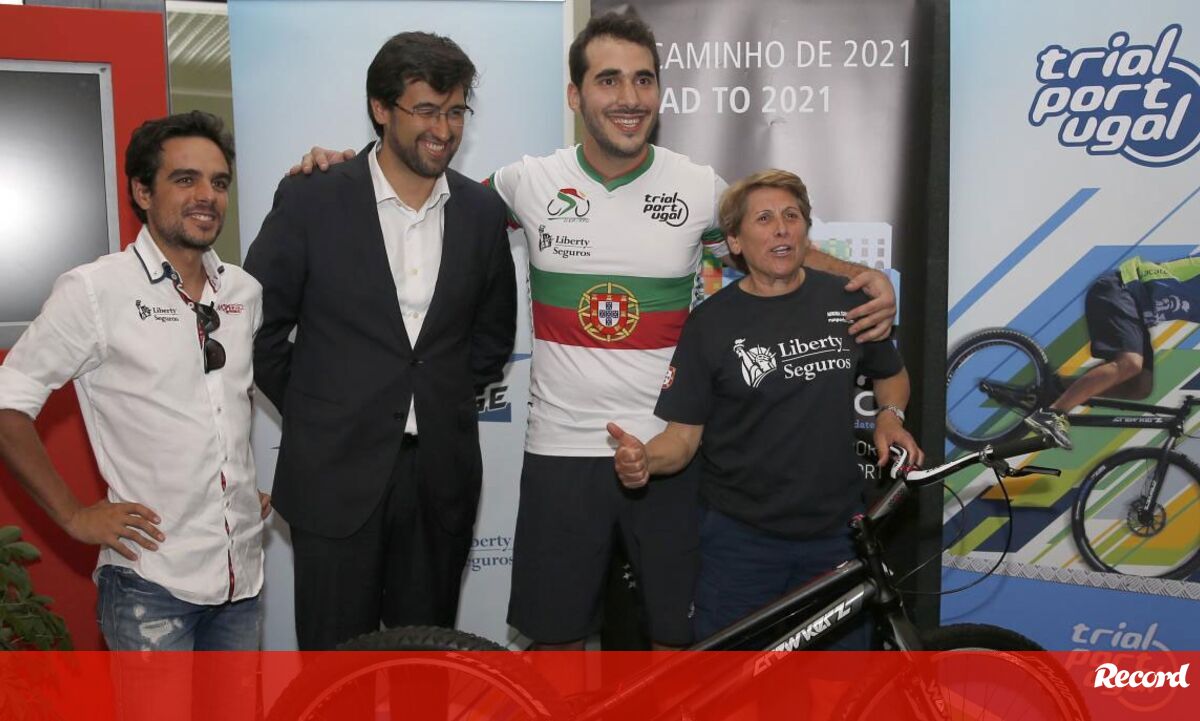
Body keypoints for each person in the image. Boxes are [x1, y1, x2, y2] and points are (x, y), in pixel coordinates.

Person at [293, 12, 897, 650]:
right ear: (575, 95)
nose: (629, 97)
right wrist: (345, 168)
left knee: (680, 647)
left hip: (671, 454)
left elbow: (779, 249)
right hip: (560, 454)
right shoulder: (526, 182)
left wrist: (866, 278)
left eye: (644, 80)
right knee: (555, 648)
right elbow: (427, 194)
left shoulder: (697, 187)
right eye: (609, 80)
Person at [243, 32, 517, 650]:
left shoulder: (480, 213)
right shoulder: (313, 196)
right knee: (336, 672)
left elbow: (492, 339)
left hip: (439, 479)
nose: (443, 130)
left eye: (456, 111)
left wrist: (436, 396)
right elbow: (255, 326)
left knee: (427, 664)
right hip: (334, 475)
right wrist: (323, 408)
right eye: (426, 110)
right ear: (381, 108)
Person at [610, 169, 923, 644]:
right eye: (764, 219)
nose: (781, 229)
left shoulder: (846, 300)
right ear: (735, 241)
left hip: (838, 535)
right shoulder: (710, 324)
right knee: (734, 679)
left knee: (843, 681)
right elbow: (682, 438)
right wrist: (644, 460)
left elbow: (890, 373)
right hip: (741, 543)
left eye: (791, 216)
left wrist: (890, 416)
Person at [0, 111, 269, 651]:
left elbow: (225, 409)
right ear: (142, 192)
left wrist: (236, 489)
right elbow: (8, 404)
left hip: (242, 580)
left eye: (219, 183)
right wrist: (74, 515)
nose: (207, 196)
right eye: (185, 179)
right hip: (151, 583)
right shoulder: (95, 291)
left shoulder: (244, 292)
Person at [1026, 255, 1200, 450]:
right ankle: (1052, 413)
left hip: (1136, 312)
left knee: (1140, 386)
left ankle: (1057, 388)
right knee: (1130, 364)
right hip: (1120, 290)